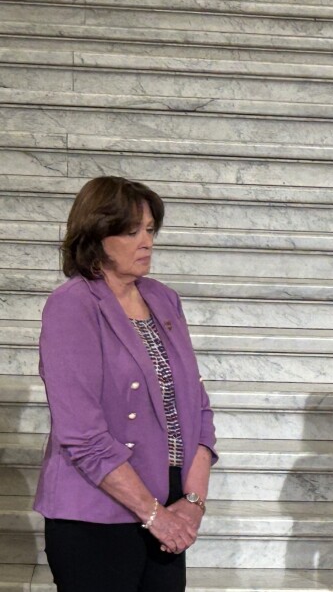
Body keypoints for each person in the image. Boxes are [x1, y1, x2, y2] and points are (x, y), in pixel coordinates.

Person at [35, 176, 217, 591]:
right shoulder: (72, 306)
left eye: (150, 229)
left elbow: (196, 407)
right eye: (131, 231)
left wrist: (192, 503)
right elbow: (82, 434)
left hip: (168, 505)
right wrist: (155, 515)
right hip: (96, 514)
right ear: (96, 235)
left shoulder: (163, 298)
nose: (146, 241)